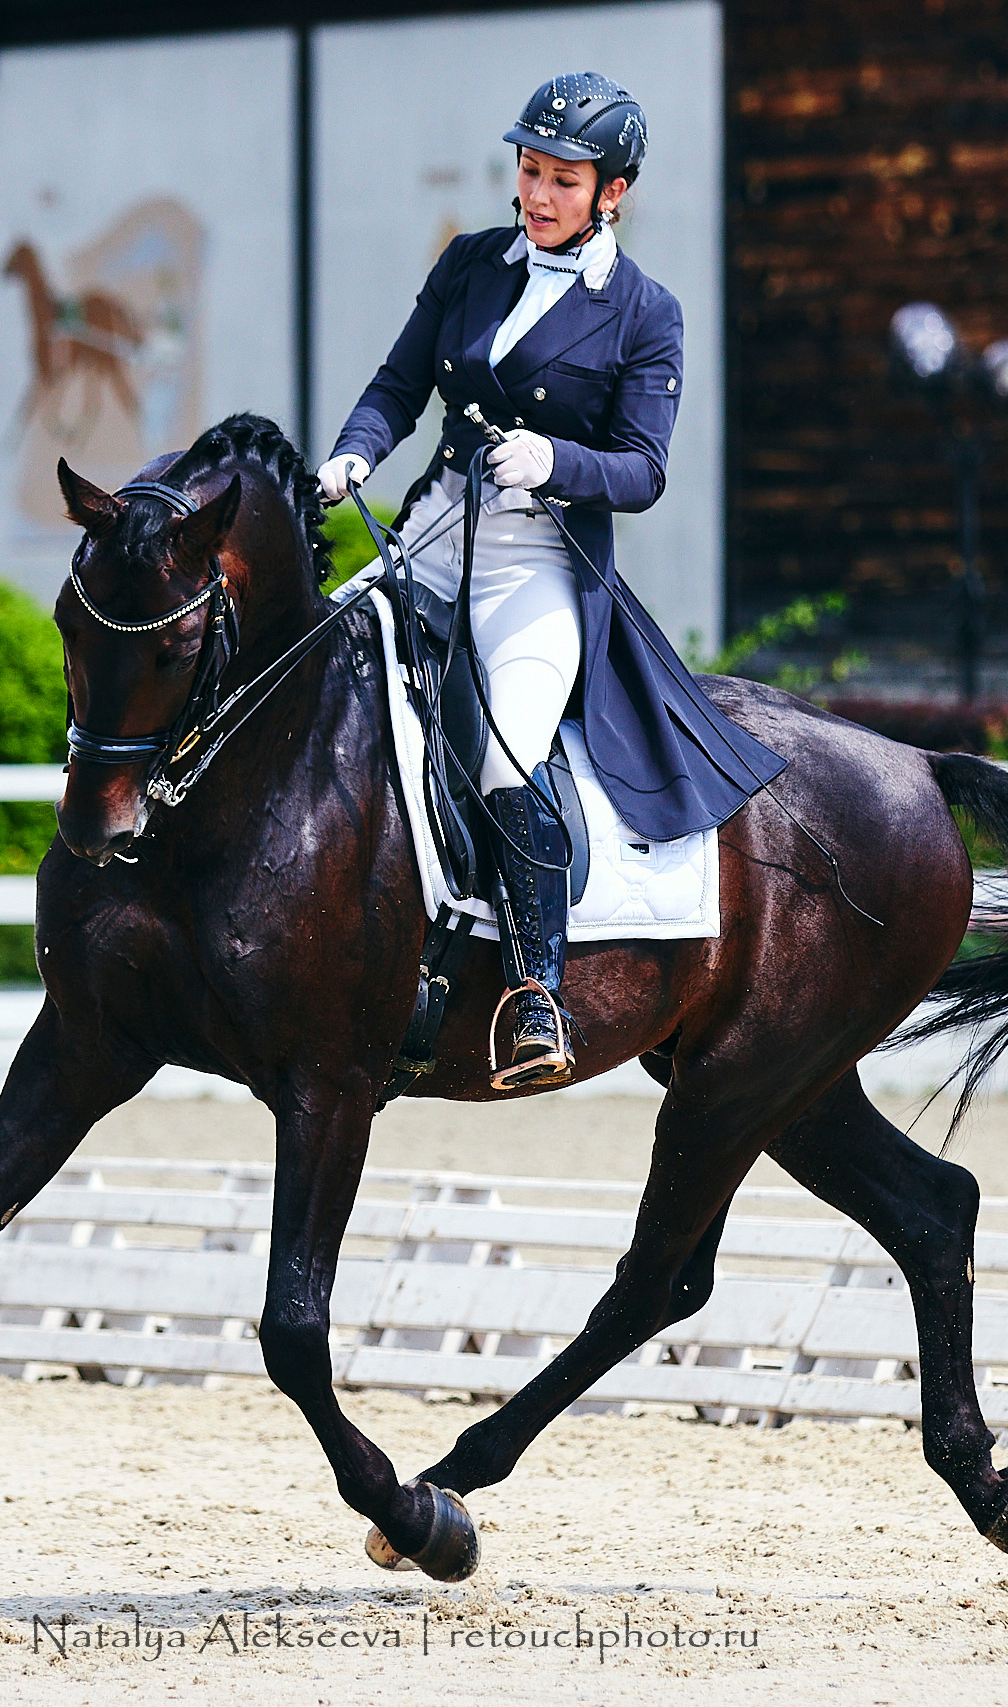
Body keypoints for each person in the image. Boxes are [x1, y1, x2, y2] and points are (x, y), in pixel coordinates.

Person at [319, 71, 788, 1092]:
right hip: (435, 531)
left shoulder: (643, 314)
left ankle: (534, 994)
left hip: (535, 564)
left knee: (501, 756)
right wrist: (353, 456)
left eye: (562, 179)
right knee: (313, 693)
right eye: (528, 171)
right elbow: (400, 385)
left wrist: (555, 463)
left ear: (612, 191)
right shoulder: (471, 263)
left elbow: (644, 469)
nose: (536, 194)